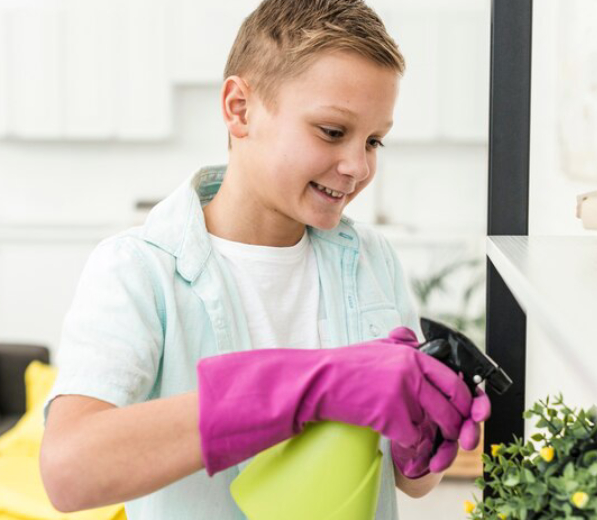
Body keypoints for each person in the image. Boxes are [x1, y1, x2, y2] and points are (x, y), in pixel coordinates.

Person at [39, 1, 491, 518]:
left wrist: (420, 445)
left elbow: (414, 485)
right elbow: (69, 471)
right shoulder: (138, 270)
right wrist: (317, 385)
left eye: (373, 140)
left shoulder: (372, 259)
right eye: (331, 131)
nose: (358, 166)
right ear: (239, 108)